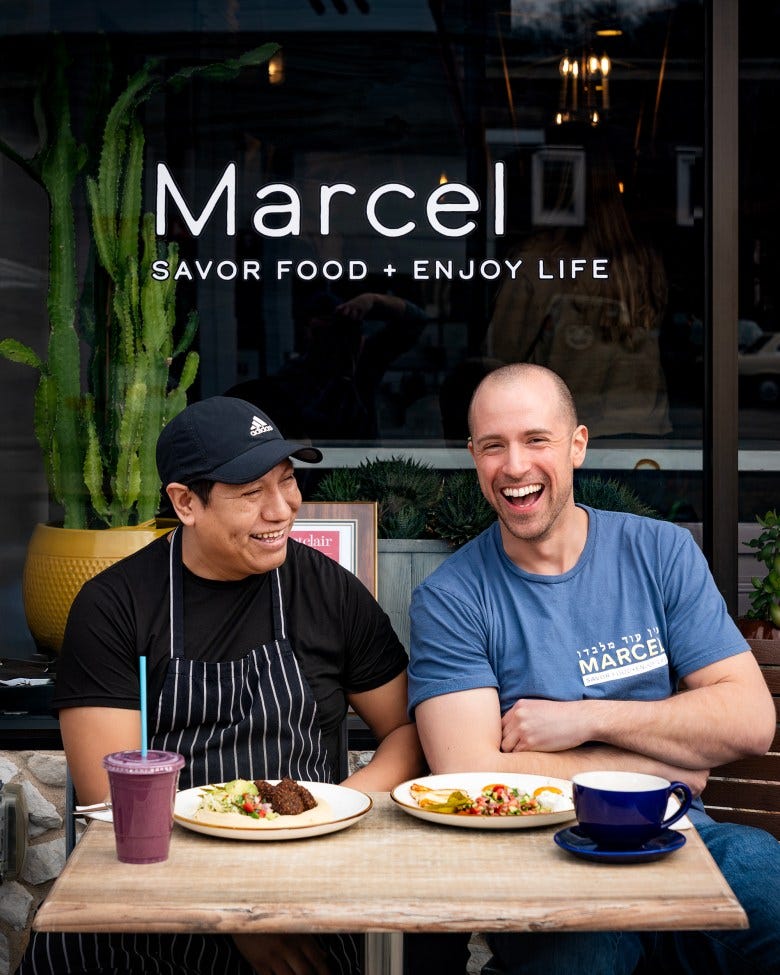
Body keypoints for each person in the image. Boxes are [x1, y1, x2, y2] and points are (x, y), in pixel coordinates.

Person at [18, 395, 424, 975]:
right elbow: (114, 808)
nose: (281, 509)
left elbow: (407, 731)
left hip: (303, 885)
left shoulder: (327, 590)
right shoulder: (115, 606)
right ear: (186, 502)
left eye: (287, 481)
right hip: (153, 896)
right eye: (251, 493)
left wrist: (334, 810)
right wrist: (229, 915)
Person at [407, 363, 780, 975]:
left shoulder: (660, 552)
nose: (515, 466)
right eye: (494, 446)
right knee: (585, 954)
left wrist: (585, 720)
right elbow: (469, 772)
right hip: (543, 855)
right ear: (474, 457)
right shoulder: (452, 598)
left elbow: (750, 721)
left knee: (768, 889)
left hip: (681, 832)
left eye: (536, 439)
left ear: (577, 445)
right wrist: (659, 768)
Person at [484, 132, 672, 439]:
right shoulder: (642, 260)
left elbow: (500, 360)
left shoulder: (536, 261)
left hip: (562, 436)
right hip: (644, 429)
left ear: (552, 181)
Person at [226, 291, 427, 442]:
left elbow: (416, 320)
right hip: (317, 471)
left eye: (335, 330)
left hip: (360, 469)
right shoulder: (295, 374)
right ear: (307, 331)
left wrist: (372, 300)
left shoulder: (363, 361)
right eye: (320, 331)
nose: (329, 341)